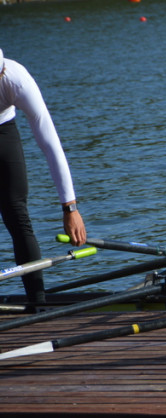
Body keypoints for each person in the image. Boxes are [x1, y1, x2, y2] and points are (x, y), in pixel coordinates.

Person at [0, 49, 87, 304]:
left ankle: (37, 305)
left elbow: (51, 145)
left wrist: (70, 208)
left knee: (17, 213)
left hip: (3, 130)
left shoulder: (16, 78)